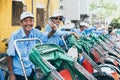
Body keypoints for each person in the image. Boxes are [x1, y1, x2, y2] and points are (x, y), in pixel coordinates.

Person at [7, 11, 48, 80]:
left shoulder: (35, 32)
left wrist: (53, 30)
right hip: (19, 72)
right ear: (21, 23)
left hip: (32, 70)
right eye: (25, 21)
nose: (28, 23)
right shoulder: (15, 35)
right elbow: (9, 55)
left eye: (31, 21)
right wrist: (11, 74)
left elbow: (47, 37)